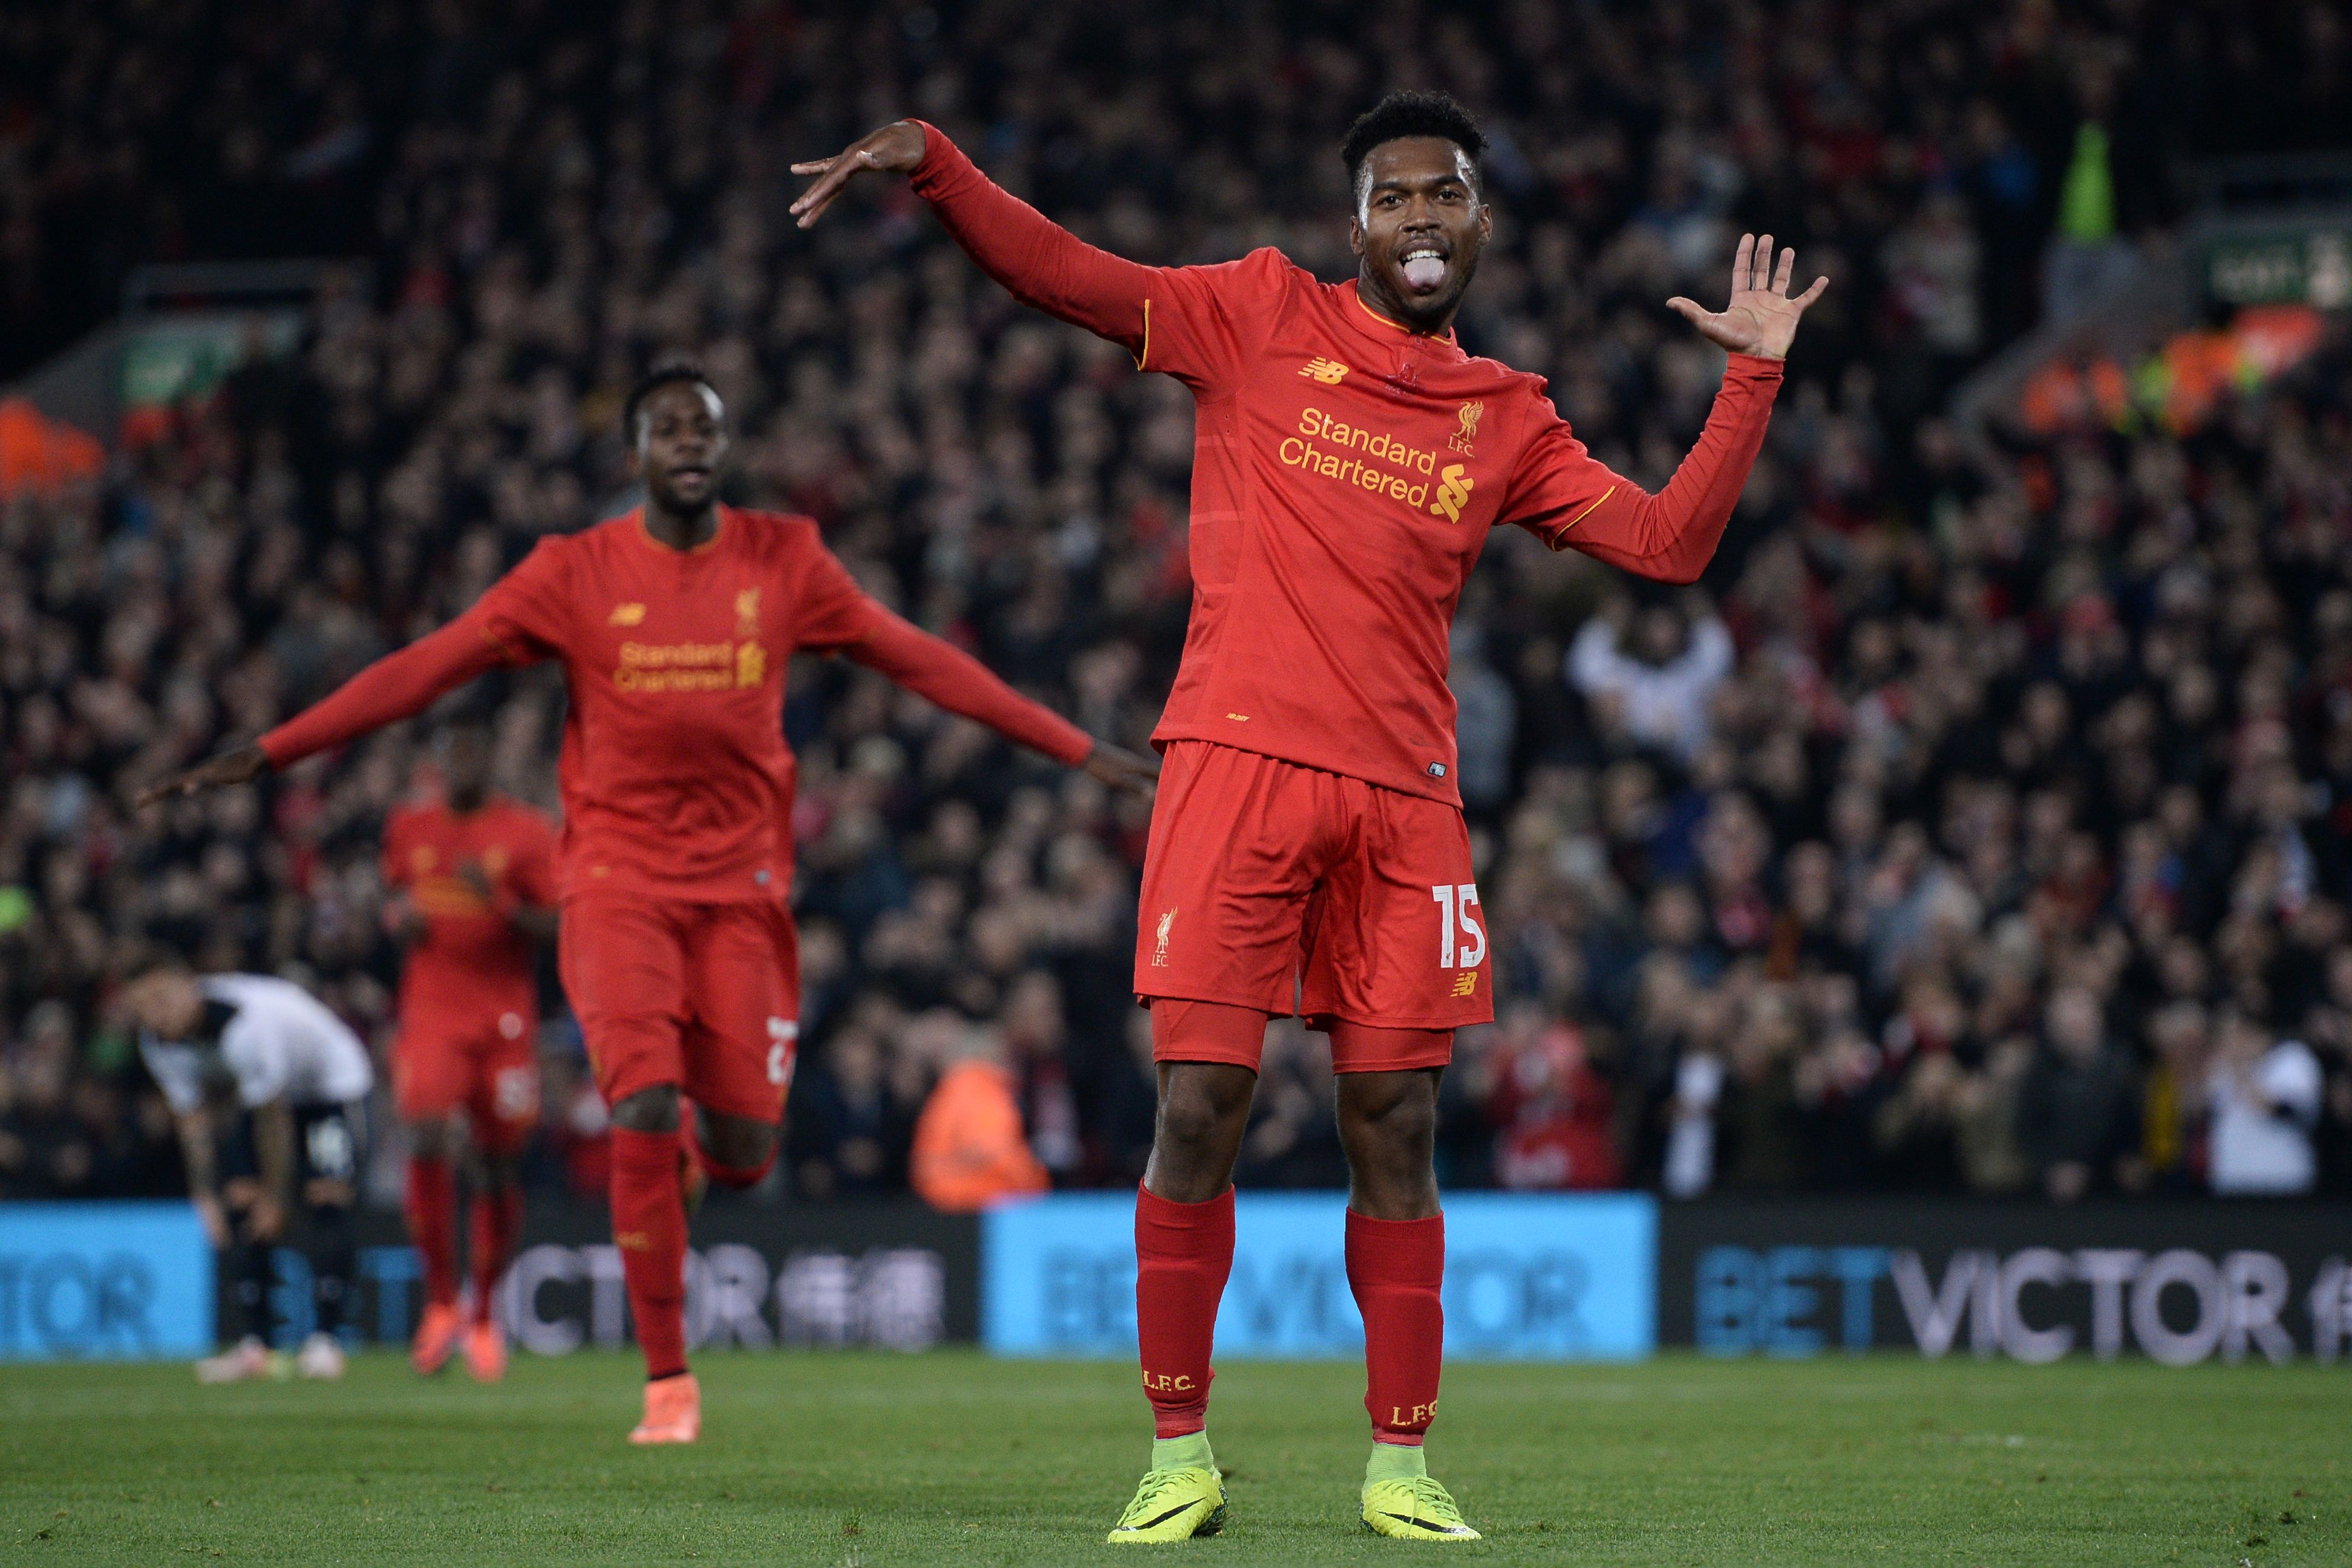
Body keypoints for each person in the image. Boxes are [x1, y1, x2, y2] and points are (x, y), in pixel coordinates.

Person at [793, 88, 1823, 1541]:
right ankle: (1177, 1450)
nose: (1418, 217)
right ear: (1357, 225)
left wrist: (1751, 381)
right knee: (1199, 1104)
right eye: (1394, 197)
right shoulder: (1256, 315)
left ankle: (1399, 1461)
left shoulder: (1504, 415)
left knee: (1393, 1122)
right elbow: (1070, 277)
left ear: (1478, 222)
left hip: (1407, 798)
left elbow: (1666, 543)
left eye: (1442, 195)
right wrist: (943, 172)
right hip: (1234, 763)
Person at [141, 363, 1158, 1443]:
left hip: (743, 897)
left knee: (741, 1149)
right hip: (615, 887)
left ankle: (678, 1183)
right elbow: (426, 667)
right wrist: (271, 751)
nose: (689, 439)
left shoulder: (785, 559)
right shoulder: (573, 572)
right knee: (639, 1103)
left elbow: (921, 661)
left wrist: (1076, 749)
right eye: (667, 426)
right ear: (632, 455)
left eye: (705, 425)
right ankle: (666, 1379)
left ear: (722, 450)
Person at [382, 710, 560, 1382]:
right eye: (450, 758)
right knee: (424, 1131)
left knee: (497, 1165)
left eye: (471, 758)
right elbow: (394, 896)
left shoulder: (526, 832)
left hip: (505, 1020)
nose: (460, 770)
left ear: (488, 763)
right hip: (432, 1010)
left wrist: (504, 903)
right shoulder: (409, 826)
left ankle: (484, 1315)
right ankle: (439, 1304)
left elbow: (558, 926)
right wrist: (401, 919)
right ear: (437, 763)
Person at [122, 961, 374, 1383]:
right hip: (264, 1097)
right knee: (240, 1197)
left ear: (189, 990)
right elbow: (195, 1122)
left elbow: (273, 1118)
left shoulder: (246, 1025)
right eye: (143, 1006)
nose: (155, 1014)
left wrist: (277, 1199)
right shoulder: (158, 1044)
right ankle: (259, 1347)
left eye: (161, 999)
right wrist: (204, 1195)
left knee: (326, 1196)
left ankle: (326, 1342)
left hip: (329, 1083)